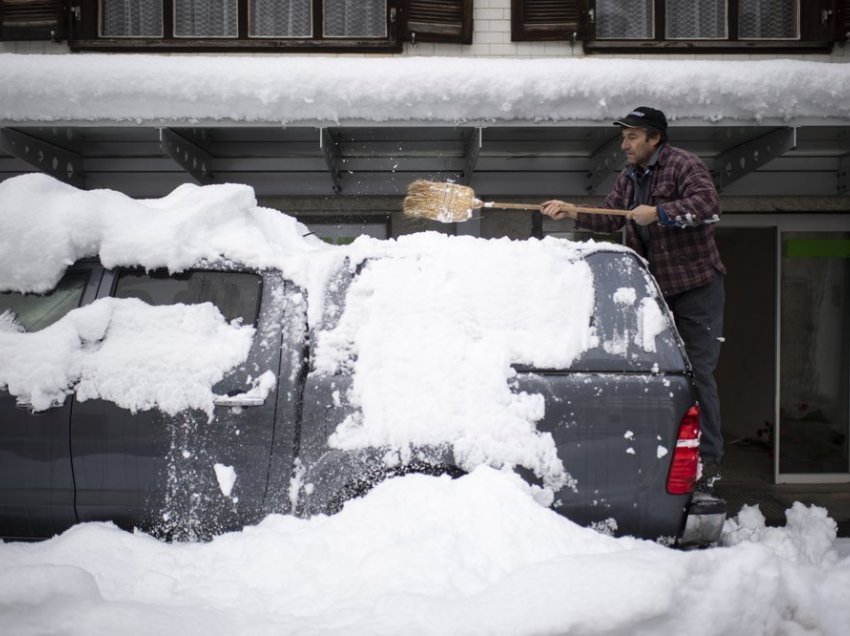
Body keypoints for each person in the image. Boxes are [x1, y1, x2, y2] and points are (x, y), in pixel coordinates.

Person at [541, 106, 726, 493]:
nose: (624, 144)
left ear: (654, 138)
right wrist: (573, 211)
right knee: (659, 375)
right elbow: (611, 216)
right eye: (623, 137)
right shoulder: (630, 177)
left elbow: (708, 206)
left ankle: (707, 462)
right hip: (656, 291)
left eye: (632, 137)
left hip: (696, 287)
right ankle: (664, 452)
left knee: (697, 372)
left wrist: (659, 212)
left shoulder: (682, 165)